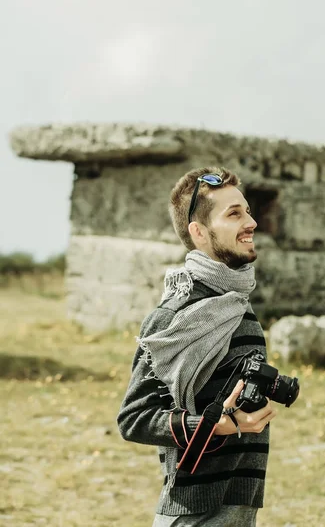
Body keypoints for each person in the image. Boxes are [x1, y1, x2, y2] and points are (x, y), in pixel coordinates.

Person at [117, 166, 277, 527]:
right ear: (199, 232)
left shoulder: (238, 303)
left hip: (240, 502)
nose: (251, 222)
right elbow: (134, 418)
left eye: (248, 211)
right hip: (193, 512)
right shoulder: (175, 313)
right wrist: (218, 426)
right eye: (234, 214)